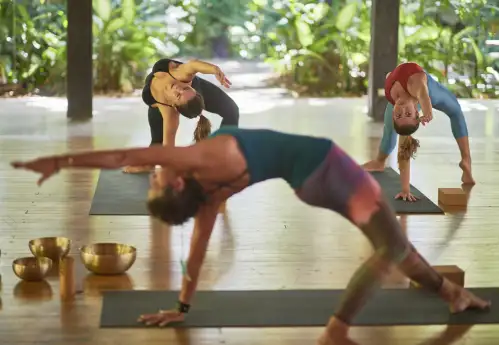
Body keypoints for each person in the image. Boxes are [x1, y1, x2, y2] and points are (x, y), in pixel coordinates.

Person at [11, 127, 490, 344]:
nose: (155, 171)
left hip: (310, 186)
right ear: (175, 181)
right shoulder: (197, 162)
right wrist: (59, 161)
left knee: (397, 249)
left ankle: (453, 295)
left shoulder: (209, 195)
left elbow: (196, 253)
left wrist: (182, 306)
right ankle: (337, 329)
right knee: (391, 247)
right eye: (157, 177)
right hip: (330, 167)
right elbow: (121, 157)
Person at [362, 62, 474, 202]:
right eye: (407, 113)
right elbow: (421, 93)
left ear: (417, 109)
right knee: (392, 130)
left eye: (400, 114)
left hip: (430, 91)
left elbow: (423, 94)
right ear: (415, 110)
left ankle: (466, 160)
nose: (402, 110)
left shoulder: (409, 87)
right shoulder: (412, 89)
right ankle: (379, 162)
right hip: (423, 91)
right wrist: (405, 190)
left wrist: (427, 111)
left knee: (456, 111)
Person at [123, 58, 240, 173]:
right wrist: (214, 69)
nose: (179, 88)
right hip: (193, 91)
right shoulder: (182, 77)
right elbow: (193, 64)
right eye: (184, 88)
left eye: (178, 95)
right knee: (157, 139)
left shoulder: (169, 112)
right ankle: (150, 163)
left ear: (174, 106)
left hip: (180, 98)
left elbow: (169, 148)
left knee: (232, 110)